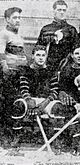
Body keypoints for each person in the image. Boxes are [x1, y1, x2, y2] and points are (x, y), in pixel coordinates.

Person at [11, 45, 61, 147]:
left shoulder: (51, 71)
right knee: (19, 104)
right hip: (31, 99)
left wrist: (44, 103)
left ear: (46, 56)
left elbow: (55, 91)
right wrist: (29, 100)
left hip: (46, 101)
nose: (41, 58)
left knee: (58, 107)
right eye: (38, 55)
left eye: (43, 55)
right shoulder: (26, 70)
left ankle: (56, 140)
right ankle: (17, 137)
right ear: (33, 56)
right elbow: (24, 88)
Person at [0, 7, 28, 146]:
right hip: (8, 76)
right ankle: (6, 138)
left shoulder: (18, 36)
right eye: (15, 18)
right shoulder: (4, 34)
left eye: (19, 18)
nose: (18, 20)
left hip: (19, 75)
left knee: (17, 103)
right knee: (7, 105)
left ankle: (15, 137)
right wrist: (6, 71)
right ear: (7, 19)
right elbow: (1, 55)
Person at [36, 0, 79, 74]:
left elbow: (76, 49)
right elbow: (38, 48)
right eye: (59, 10)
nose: (62, 12)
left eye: (64, 10)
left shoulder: (71, 30)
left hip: (67, 66)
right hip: (49, 65)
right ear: (54, 11)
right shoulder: (46, 29)